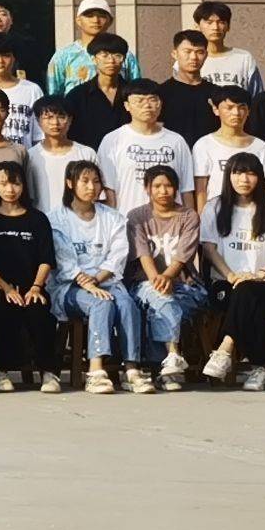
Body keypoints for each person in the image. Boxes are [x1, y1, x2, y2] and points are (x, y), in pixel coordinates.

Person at [198, 152, 265, 391]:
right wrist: (231, 275)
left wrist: (260, 274)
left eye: (251, 173)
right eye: (238, 173)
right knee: (247, 297)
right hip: (225, 283)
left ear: (260, 178)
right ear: (228, 176)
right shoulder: (214, 207)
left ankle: (225, 349)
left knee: (249, 293)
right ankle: (259, 367)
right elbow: (209, 249)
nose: (244, 179)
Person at [114, 162, 206, 394]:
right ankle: (172, 355)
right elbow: (143, 253)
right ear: (147, 188)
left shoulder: (189, 216)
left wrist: (167, 276)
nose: (163, 191)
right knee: (161, 298)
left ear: (176, 188)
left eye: (168, 186)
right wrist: (158, 279)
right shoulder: (137, 216)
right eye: (157, 186)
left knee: (161, 305)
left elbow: (183, 254)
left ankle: (161, 370)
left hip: (184, 285)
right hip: (145, 283)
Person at [45, 160, 133, 394]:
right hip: (69, 287)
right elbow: (63, 260)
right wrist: (87, 284)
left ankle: (132, 369)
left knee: (127, 304)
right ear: (70, 183)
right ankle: (95, 371)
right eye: (84, 181)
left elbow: (118, 255)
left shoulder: (113, 218)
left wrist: (97, 280)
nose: (91, 187)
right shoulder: (56, 218)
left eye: (96, 181)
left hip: (106, 281)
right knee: (100, 303)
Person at [0, 160, 58, 393]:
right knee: (2, 311)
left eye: (16, 183)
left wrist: (36, 287)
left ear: (24, 186)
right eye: (4, 183)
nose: (10, 189)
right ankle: (2, 371)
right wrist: (7, 289)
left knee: (39, 312)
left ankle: (48, 372)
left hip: (32, 286)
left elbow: (46, 259)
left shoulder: (37, 219)